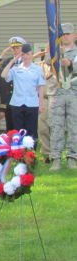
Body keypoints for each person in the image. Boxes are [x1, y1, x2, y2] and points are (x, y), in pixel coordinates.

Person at [1, 43, 45, 142]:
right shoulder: (16, 69)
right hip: (17, 103)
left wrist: (41, 104)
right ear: (21, 55)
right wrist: (13, 60)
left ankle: (30, 154)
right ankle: (18, 154)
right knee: (17, 131)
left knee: (31, 131)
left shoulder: (38, 69)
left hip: (32, 103)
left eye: (28, 54)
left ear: (31, 55)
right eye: (23, 54)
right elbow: (4, 75)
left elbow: (41, 87)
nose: (26, 56)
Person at [49, 22, 77, 170]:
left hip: (74, 93)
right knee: (56, 126)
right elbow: (47, 63)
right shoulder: (55, 51)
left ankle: (73, 157)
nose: (64, 37)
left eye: (67, 34)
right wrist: (55, 54)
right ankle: (56, 158)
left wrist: (70, 63)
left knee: (74, 126)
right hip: (57, 93)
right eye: (62, 34)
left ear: (74, 35)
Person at [0, 36, 27, 131]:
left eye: (18, 48)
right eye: (13, 48)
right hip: (10, 102)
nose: (15, 50)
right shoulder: (7, 62)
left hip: (24, 102)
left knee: (24, 129)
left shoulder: (28, 62)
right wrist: (1, 57)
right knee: (11, 129)